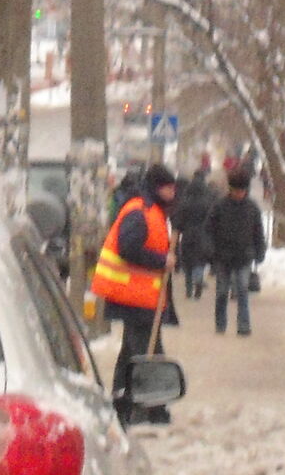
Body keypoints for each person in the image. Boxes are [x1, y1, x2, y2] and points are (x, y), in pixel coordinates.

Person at [91, 163, 178, 425]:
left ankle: (123, 402)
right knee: (147, 354)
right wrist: (161, 261)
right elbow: (127, 248)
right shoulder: (140, 212)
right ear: (157, 187)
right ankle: (150, 406)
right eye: (168, 187)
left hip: (139, 296)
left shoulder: (153, 210)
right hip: (133, 295)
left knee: (132, 351)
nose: (173, 192)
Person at [206, 163, 266, 335]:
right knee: (222, 292)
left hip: (244, 256)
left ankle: (243, 325)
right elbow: (208, 229)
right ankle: (220, 323)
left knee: (242, 289)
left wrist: (260, 251)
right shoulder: (219, 206)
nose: (239, 194)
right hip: (223, 256)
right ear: (230, 189)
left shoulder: (252, 208)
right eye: (236, 191)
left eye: (242, 191)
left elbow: (258, 231)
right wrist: (210, 250)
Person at [173, 167, 215, 300]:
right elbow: (212, 218)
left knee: (187, 262)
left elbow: (179, 219)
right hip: (203, 235)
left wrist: (177, 231)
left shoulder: (185, 200)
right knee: (200, 260)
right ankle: (198, 280)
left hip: (187, 235)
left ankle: (189, 288)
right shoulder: (207, 200)